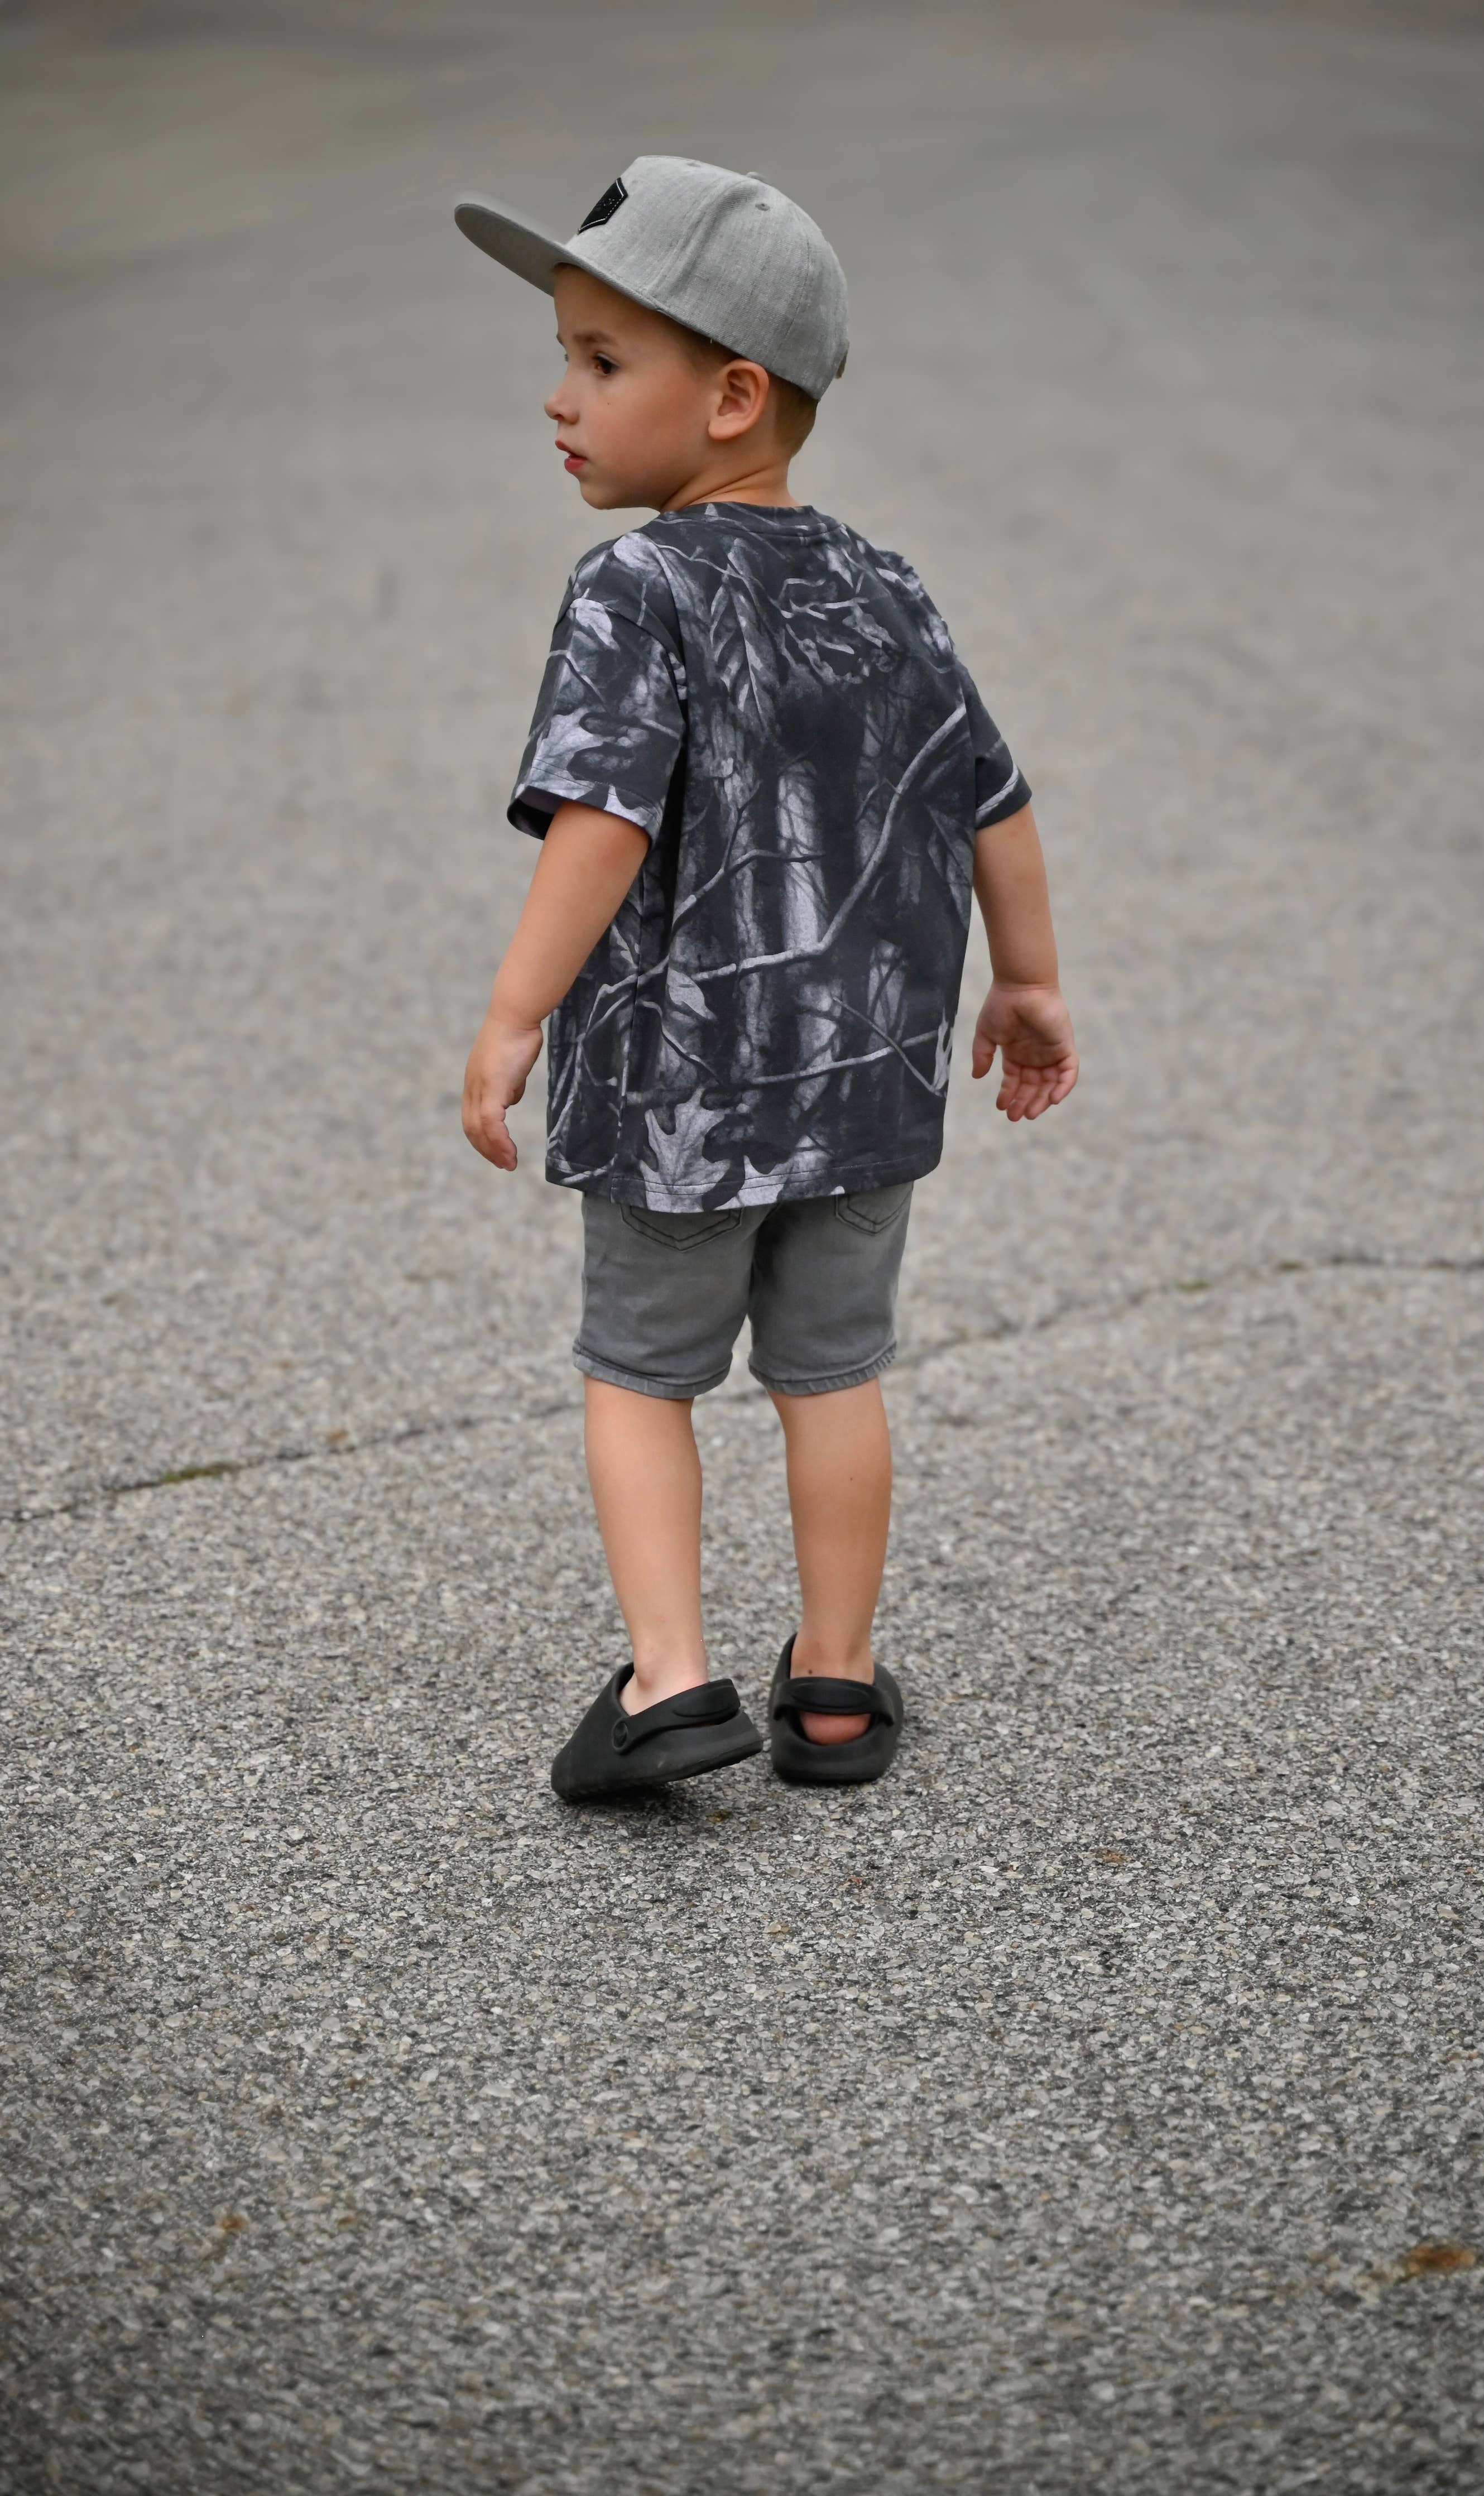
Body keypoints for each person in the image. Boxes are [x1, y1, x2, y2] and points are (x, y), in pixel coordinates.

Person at [454, 157, 1077, 1801]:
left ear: (732, 399)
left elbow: (597, 820)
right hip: (865, 1085)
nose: (557, 398)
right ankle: (835, 1687)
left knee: (640, 1375)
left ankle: (670, 1683)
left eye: (601, 362)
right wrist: (1028, 983)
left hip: (682, 1098)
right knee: (832, 1377)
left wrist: (516, 1011)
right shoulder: (887, 585)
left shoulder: (635, 586)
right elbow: (988, 797)